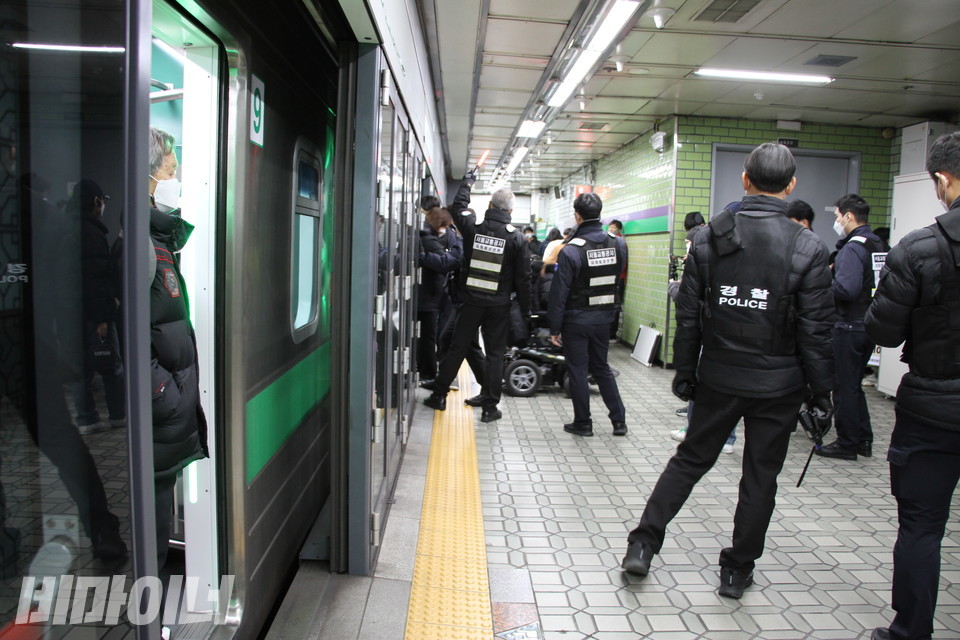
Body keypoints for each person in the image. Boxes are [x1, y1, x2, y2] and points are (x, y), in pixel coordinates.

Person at [620, 142, 835, 599]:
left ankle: (642, 544)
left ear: (745, 178)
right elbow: (816, 332)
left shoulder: (709, 238)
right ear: (791, 185)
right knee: (760, 475)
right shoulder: (809, 246)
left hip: (720, 374)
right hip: (779, 385)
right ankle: (737, 570)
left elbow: (690, 313)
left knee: (691, 460)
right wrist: (822, 393)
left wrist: (685, 370)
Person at [864, 131, 960, 640]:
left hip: (933, 410)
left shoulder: (920, 248)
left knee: (922, 526)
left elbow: (882, 332)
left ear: (943, 180)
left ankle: (911, 632)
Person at [424, 173, 531, 423]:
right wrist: (525, 310)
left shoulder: (473, 227)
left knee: (457, 348)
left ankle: (439, 396)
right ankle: (489, 408)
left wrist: (468, 183)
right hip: (499, 305)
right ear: (511, 211)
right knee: (494, 354)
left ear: (490, 206)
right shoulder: (515, 237)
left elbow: (459, 206)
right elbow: (524, 278)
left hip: (471, 302)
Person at [148, 126, 208, 568]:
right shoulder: (143, 246)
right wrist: (164, 397)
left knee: (161, 502)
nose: (177, 176)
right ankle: (145, 612)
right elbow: (127, 331)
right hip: (163, 408)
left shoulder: (161, 242)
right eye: (171, 167)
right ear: (151, 176)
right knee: (153, 512)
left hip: (170, 408)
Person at [548, 193, 627, 436]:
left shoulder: (571, 250)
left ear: (577, 216)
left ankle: (583, 423)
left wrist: (554, 328)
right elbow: (619, 282)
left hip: (576, 320)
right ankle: (619, 421)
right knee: (601, 367)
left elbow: (559, 293)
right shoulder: (618, 243)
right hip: (604, 318)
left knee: (579, 371)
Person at [815, 194, 883, 461]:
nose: (836, 221)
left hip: (848, 325)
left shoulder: (853, 248)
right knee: (854, 385)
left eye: (836, 217)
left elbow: (847, 288)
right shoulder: (876, 242)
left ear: (848, 216)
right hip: (868, 322)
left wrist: (824, 280)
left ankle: (847, 443)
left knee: (844, 387)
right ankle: (863, 439)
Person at [69, 179, 126, 434]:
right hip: (95, 314)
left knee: (79, 369)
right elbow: (97, 279)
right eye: (102, 201)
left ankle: (86, 418)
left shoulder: (65, 228)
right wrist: (103, 318)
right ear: (96, 202)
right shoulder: (92, 233)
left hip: (72, 313)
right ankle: (118, 415)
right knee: (111, 365)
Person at [416, 207, 462, 386]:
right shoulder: (428, 238)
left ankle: (425, 370)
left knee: (428, 335)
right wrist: (458, 244)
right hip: (429, 295)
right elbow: (446, 262)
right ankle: (428, 373)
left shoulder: (426, 236)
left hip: (428, 294)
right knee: (428, 335)